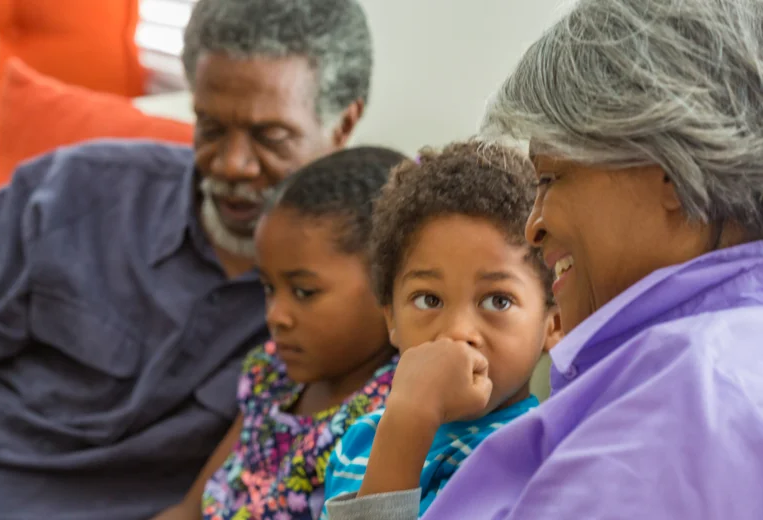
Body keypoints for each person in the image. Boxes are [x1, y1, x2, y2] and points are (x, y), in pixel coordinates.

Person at [325, 0, 763, 519]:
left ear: (666, 171)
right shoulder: (693, 365)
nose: (535, 226)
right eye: (427, 297)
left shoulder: (689, 403)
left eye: (552, 178)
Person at [0, 0, 374, 518]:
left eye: (271, 137)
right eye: (212, 127)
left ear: (343, 123)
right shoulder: (77, 190)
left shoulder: (366, 295)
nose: (232, 165)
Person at [157, 146, 406, 520]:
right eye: (269, 288)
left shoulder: (389, 416)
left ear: (389, 284)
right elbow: (190, 510)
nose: (276, 316)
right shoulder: (273, 376)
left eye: (304, 292)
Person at [324, 142, 561, 518]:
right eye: (429, 300)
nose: (457, 332)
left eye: (497, 301)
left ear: (554, 324)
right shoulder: (361, 441)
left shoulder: (538, 458)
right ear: (391, 320)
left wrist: (408, 426)